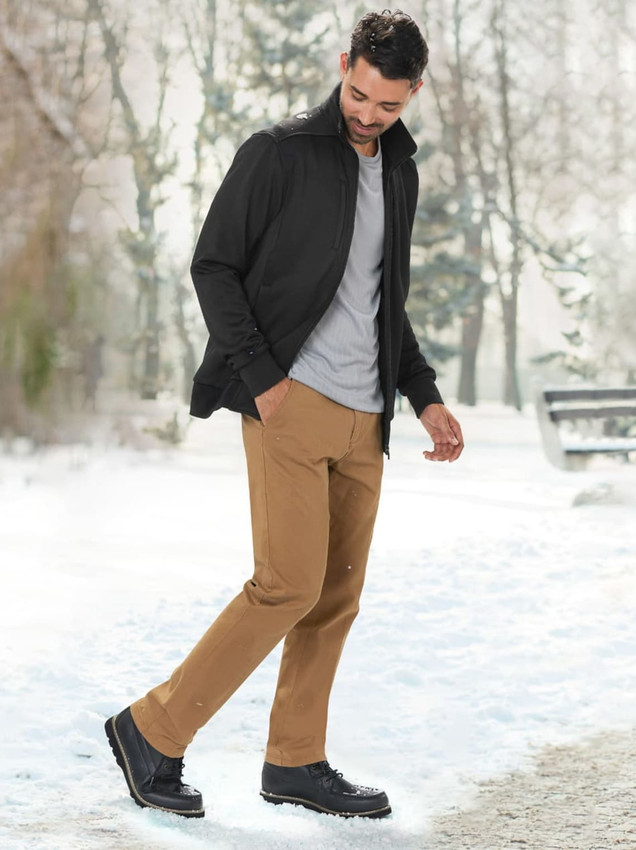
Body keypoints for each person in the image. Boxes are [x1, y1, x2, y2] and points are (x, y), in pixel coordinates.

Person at [105, 9, 464, 821]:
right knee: (286, 586)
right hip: (292, 403)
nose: (369, 115)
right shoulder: (278, 154)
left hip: (365, 419)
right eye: (359, 94)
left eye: (389, 106)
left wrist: (425, 395)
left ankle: (296, 761)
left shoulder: (399, 174)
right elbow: (214, 266)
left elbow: (386, 306)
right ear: (344, 65)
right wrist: (265, 381)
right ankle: (151, 730)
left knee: (335, 595)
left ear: (412, 95)